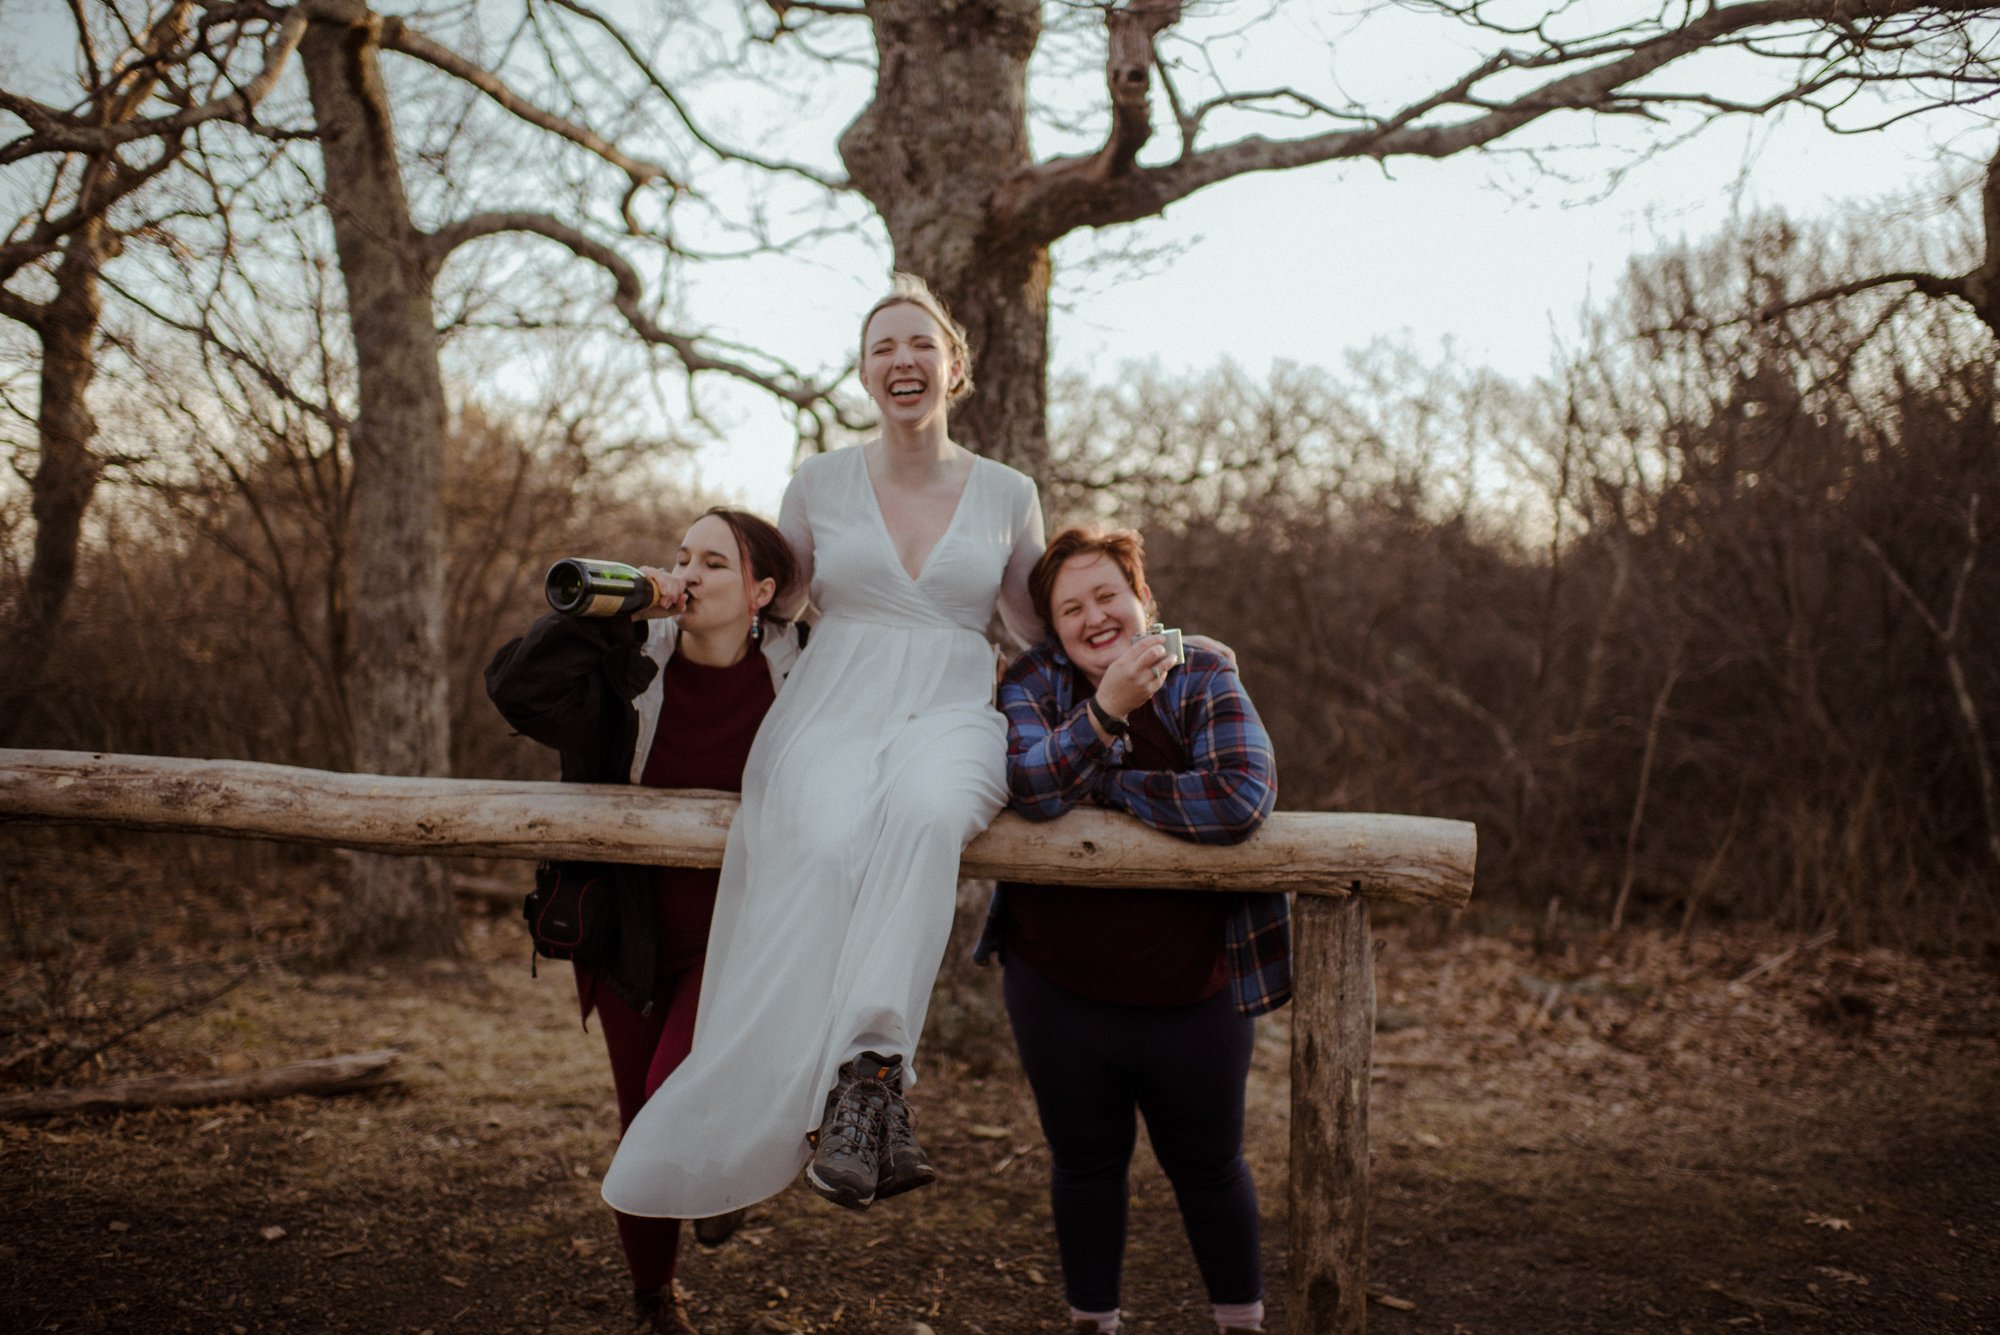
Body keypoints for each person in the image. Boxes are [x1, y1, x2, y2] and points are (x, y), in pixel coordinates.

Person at [601, 274, 1046, 1219]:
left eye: (920, 344)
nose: (903, 360)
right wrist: (674, 600)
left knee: (928, 812)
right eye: (883, 347)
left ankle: (867, 1076)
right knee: (828, 841)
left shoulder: (1010, 492)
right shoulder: (818, 481)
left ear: (955, 366)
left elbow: (1040, 627)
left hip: (952, 712)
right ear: (863, 373)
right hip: (832, 711)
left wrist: (1151, 650)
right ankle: (758, 1122)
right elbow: (767, 601)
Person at [484, 508, 804, 1335]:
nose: (688, 574)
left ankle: (717, 1174)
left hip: (735, 934)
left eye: (714, 563)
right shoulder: (631, 671)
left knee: (674, 1095)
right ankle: (653, 1298)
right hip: (625, 929)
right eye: (680, 557)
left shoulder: (801, 677)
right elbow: (517, 689)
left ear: (762, 592)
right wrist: (606, 615)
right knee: (638, 1117)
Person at [977, 525, 1288, 1335]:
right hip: (1057, 983)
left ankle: (1240, 1322)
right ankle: (1094, 1322)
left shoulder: (1204, 668)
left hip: (1194, 985)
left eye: (1108, 595)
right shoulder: (1032, 680)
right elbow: (1029, 787)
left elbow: (1239, 798)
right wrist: (1108, 711)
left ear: (1143, 599)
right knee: (1083, 1162)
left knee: (1210, 1164)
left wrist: (1108, 784)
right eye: (1071, 607)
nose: (1094, 617)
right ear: (1053, 626)